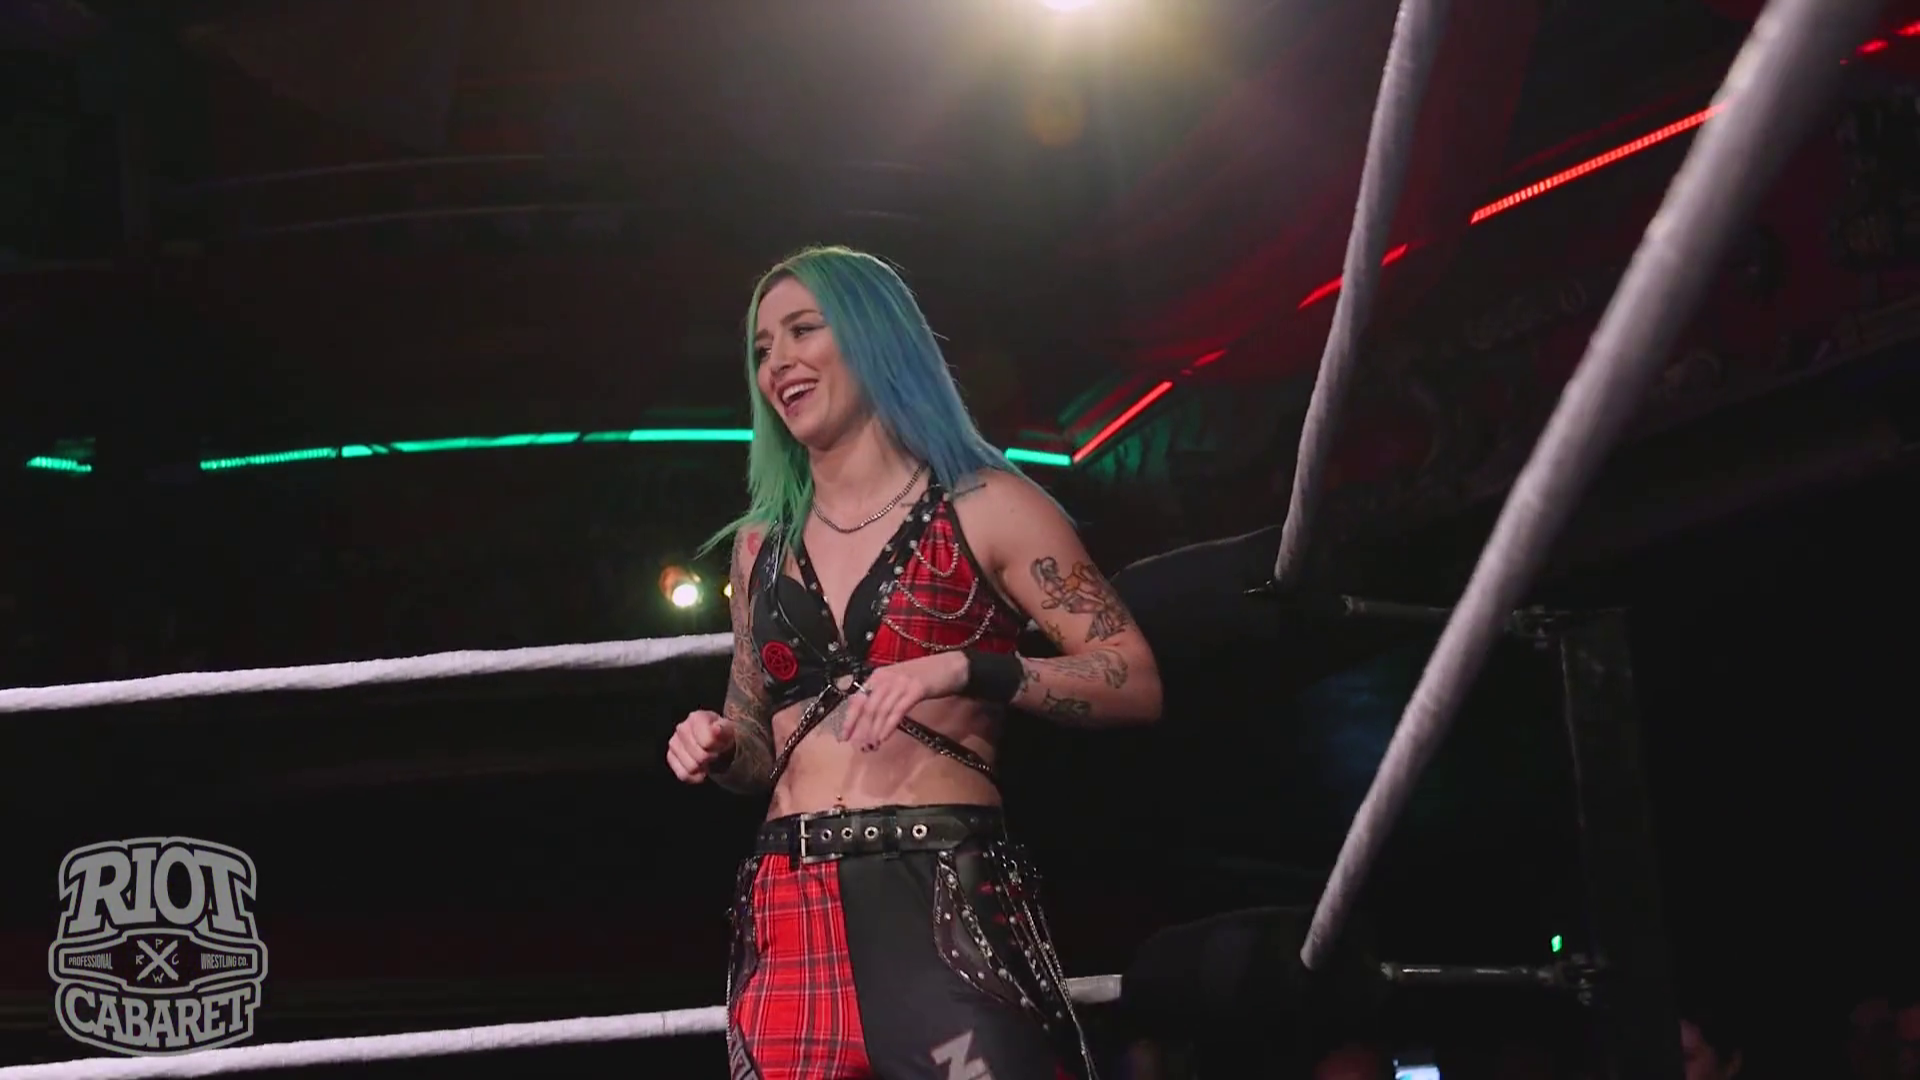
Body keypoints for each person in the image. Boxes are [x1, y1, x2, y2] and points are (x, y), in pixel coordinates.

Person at [666, 246, 1164, 1080]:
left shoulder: (987, 505)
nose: (777, 362)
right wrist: (716, 743)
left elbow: (1134, 680)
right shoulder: (761, 547)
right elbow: (755, 744)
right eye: (762, 347)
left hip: (936, 892)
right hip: (788, 910)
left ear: (872, 336)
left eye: (802, 330)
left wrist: (968, 668)